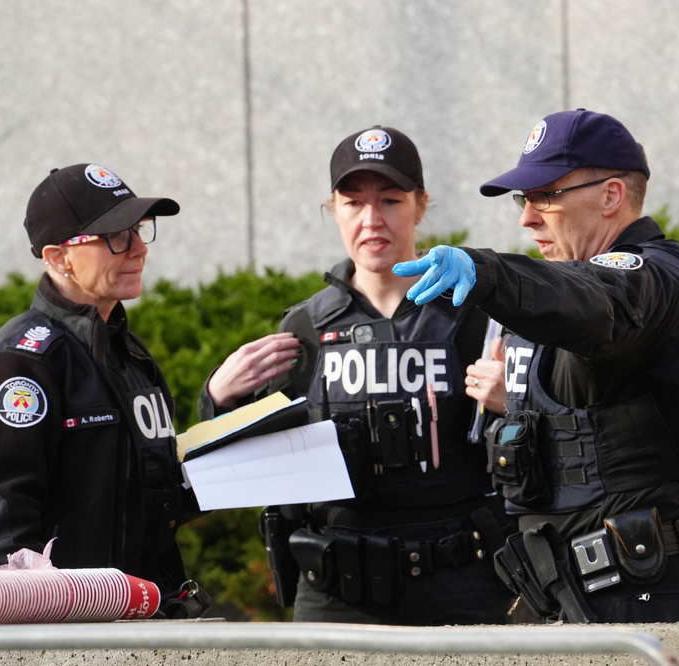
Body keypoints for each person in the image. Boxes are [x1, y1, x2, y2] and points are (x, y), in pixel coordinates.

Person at [394, 109, 679, 624]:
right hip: (588, 592)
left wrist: (489, 272)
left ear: (610, 196)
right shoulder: (608, 281)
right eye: (525, 198)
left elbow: (592, 299)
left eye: (547, 197)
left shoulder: (646, 275)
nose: (527, 217)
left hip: (648, 591)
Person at [198, 126, 513, 625]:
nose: (372, 221)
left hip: (462, 583)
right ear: (333, 209)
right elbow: (250, 467)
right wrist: (218, 402)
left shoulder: (473, 314)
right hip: (338, 592)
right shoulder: (303, 327)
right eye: (353, 203)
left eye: (390, 200)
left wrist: (512, 400)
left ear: (421, 205)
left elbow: (536, 439)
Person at [0, 163, 206, 617]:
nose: (138, 248)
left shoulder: (130, 354)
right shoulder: (21, 362)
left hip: (146, 622)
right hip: (73, 636)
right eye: (115, 236)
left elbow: (153, 497)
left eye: (138, 229)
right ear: (59, 257)